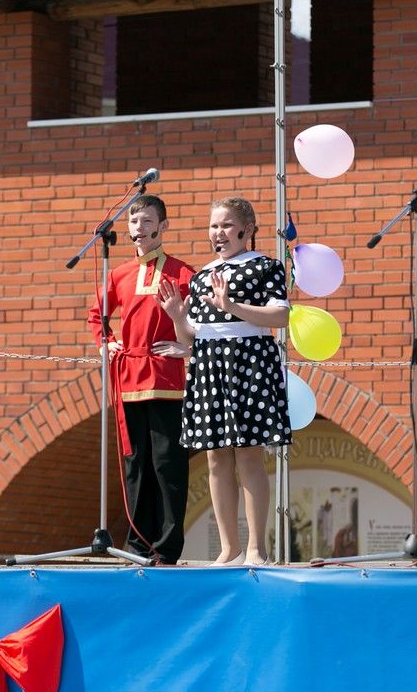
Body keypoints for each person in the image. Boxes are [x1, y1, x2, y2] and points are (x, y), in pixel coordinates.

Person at [158, 196, 290, 566]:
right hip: (208, 365)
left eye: (226, 225)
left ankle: (256, 548)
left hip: (248, 362)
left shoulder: (265, 267)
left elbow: (280, 317)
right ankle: (229, 547)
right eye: (214, 226)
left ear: (247, 229)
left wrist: (231, 306)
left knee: (248, 455)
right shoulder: (202, 276)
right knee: (215, 457)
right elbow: (190, 338)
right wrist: (177, 316)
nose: (219, 233)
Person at [86, 195, 194, 565]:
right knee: (136, 465)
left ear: (163, 227)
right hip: (129, 380)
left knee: (168, 464)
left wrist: (186, 346)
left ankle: (167, 548)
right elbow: (97, 314)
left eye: (147, 221)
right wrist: (107, 341)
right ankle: (138, 545)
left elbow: (200, 322)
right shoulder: (118, 274)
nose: (139, 228)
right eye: (134, 222)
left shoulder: (182, 273)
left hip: (166, 380)